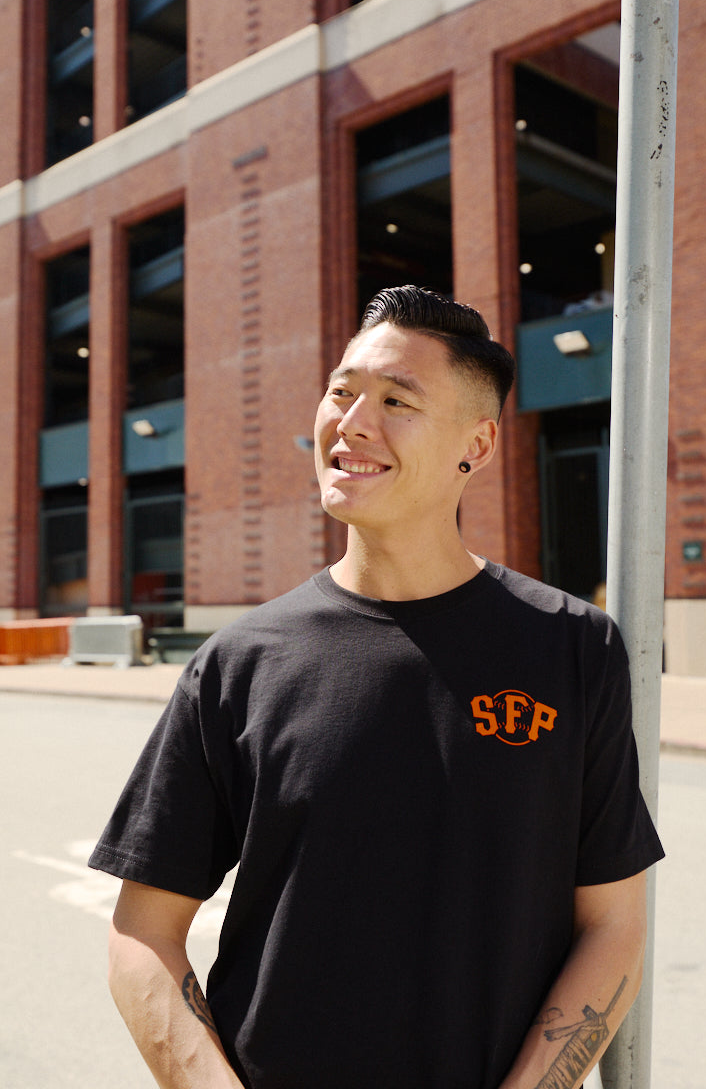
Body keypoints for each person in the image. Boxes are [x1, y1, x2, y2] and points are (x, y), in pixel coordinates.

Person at [90, 285, 664, 1089]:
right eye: (341, 391)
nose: (352, 421)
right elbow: (142, 931)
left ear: (480, 444)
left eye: (396, 400)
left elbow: (612, 924)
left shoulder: (570, 647)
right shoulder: (240, 661)